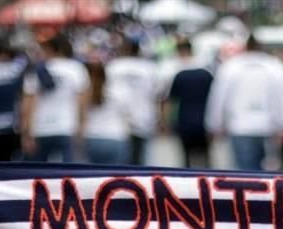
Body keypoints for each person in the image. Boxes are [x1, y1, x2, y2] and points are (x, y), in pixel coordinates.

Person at [205, 34, 283, 171]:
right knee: (268, 173)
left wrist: (214, 124)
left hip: (240, 127)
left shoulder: (230, 67)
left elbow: (218, 97)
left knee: (243, 173)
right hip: (268, 127)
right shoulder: (275, 66)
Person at [21, 33, 89, 163]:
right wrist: (82, 128)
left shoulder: (36, 70)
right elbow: (82, 103)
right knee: (66, 175)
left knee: (38, 175)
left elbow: (27, 105)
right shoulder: (76, 69)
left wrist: (26, 134)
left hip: (39, 129)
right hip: (67, 128)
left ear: (50, 49)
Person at [107, 37, 160, 166]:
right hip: (144, 116)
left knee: (120, 164)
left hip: (118, 120)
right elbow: (157, 94)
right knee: (141, 162)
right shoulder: (149, 68)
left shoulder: (113, 67)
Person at [163, 38, 214, 169]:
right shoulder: (206, 73)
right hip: (204, 121)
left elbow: (170, 101)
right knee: (206, 158)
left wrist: (166, 122)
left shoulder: (177, 73)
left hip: (184, 121)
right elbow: (215, 99)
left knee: (185, 161)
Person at [82, 60, 131, 165]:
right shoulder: (119, 91)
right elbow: (127, 116)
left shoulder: (84, 93)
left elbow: (81, 116)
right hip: (115, 138)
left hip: (91, 137)